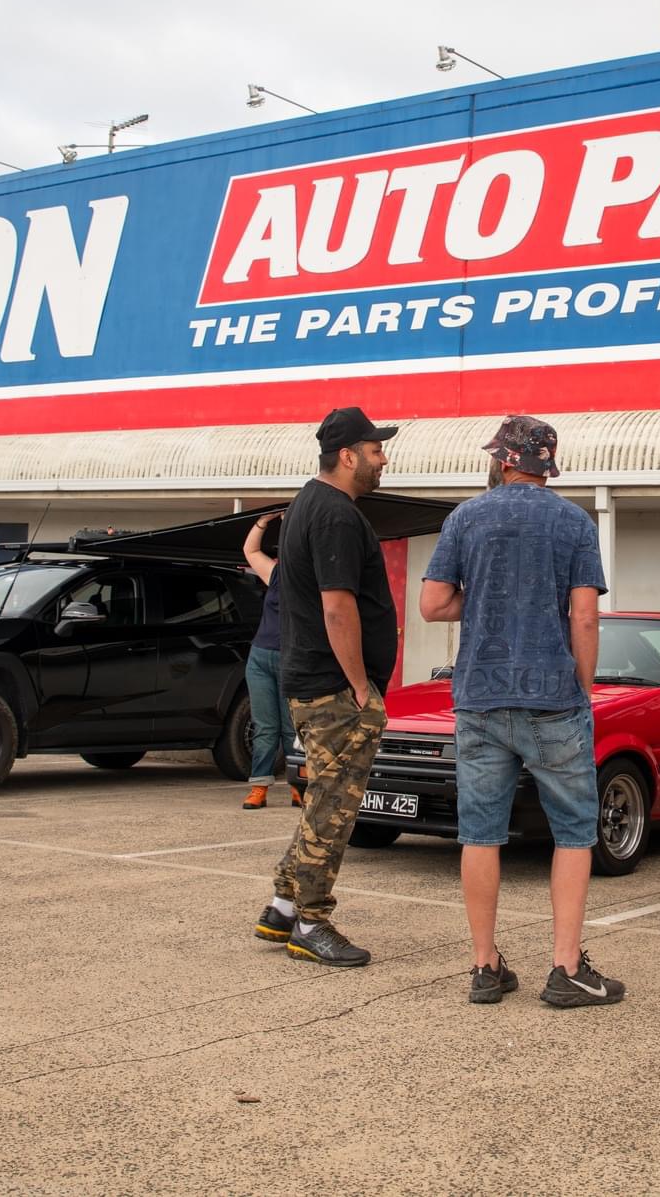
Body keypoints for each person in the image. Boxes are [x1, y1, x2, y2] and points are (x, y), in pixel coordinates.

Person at [420, 416, 623, 1009]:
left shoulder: (465, 517)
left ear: (505, 461)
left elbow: (433, 605)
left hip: (479, 697)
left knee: (480, 834)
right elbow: (585, 617)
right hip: (553, 698)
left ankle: (485, 966)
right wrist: (582, 690)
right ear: (544, 466)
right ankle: (565, 969)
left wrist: (480, 598)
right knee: (574, 834)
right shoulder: (574, 523)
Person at [253, 406, 399, 969]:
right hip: (335, 689)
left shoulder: (307, 505)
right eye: (376, 449)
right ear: (348, 455)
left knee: (322, 800)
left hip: (313, 681)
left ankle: (282, 907)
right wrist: (360, 685)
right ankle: (312, 922)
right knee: (336, 806)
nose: (382, 459)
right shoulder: (335, 514)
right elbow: (337, 608)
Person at [239, 511, 299, 810]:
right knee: (265, 727)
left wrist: (292, 523)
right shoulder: (275, 574)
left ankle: (298, 785)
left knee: (291, 728)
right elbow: (250, 550)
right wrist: (264, 522)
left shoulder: (315, 582)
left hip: (292, 659)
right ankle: (259, 786)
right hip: (260, 658)